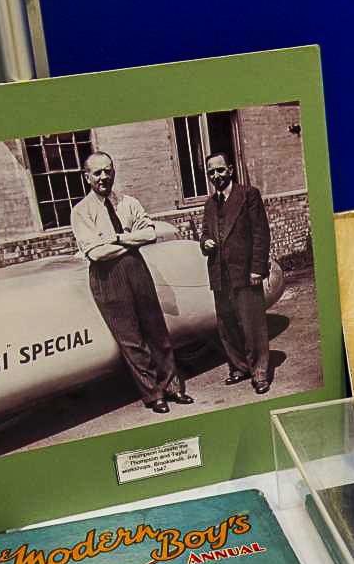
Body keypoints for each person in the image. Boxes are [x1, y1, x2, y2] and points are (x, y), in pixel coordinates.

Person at [70, 152, 190, 414]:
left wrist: (117, 239)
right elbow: (96, 253)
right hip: (107, 277)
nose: (104, 177)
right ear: (87, 177)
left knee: (156, 331)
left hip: (136, 269)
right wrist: (130, 240)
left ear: (114, 172)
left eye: (108, 170)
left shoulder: (128, 203)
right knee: (131, 340)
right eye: (97, 173)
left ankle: (173, 387)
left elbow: (150, 234)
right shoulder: (81, 212)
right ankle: (154, 394)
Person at [199, 153, 273, 393]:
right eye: (211, 172)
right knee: (227, 325)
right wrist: (205, 243)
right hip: (220, 274)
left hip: (245, 272)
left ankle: (260, 373)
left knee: (253, 326)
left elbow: (261, 234)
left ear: (230, 170)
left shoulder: (248, 195)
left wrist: (257, 269)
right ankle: (239, 367)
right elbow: (205, 233)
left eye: (220, 170)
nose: (216, 175)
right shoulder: (210, 204)